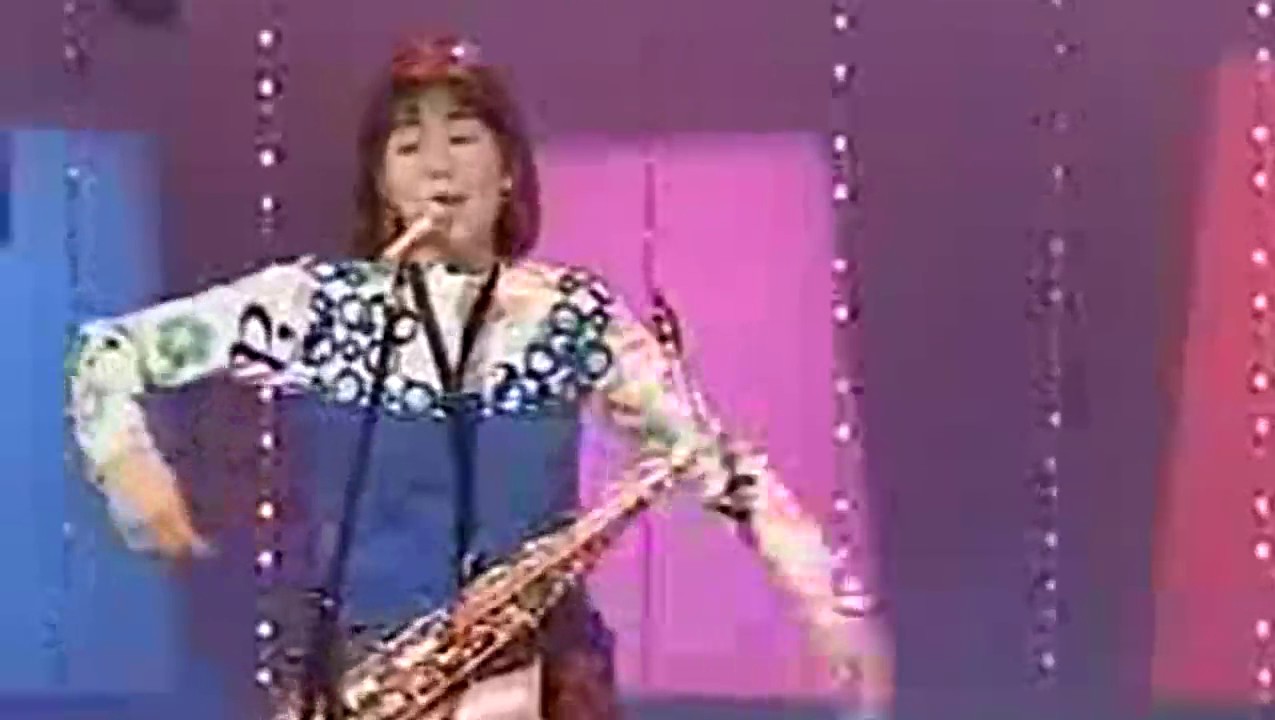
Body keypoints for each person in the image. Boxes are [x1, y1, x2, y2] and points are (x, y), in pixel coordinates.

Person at [65, 33, 891, 718]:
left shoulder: (571, 315)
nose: (438, 166)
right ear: (382, 183)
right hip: (367, 679)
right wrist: (125, 461)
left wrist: (828, 599)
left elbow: (721, 464)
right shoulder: (313, 305)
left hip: (544, 679)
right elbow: (107, 351)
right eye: (408, 145)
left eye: (463, 137)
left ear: (508, 169)